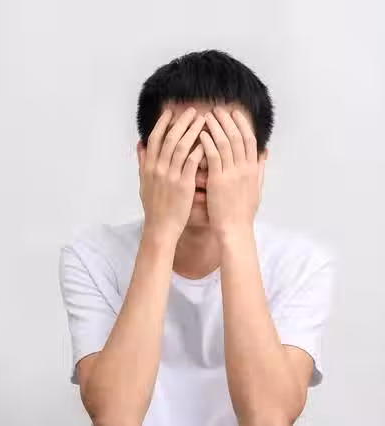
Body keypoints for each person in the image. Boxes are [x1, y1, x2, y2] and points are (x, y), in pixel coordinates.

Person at [59, 49, 336, 426]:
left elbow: (268, 418)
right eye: (183, 147)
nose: (203, 165)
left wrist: (235, 229)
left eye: (226, 149)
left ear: (259, 164)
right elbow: (115, 416)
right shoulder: (93, 256)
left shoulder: (301, 264)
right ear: (145, 158)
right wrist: (160, 230)